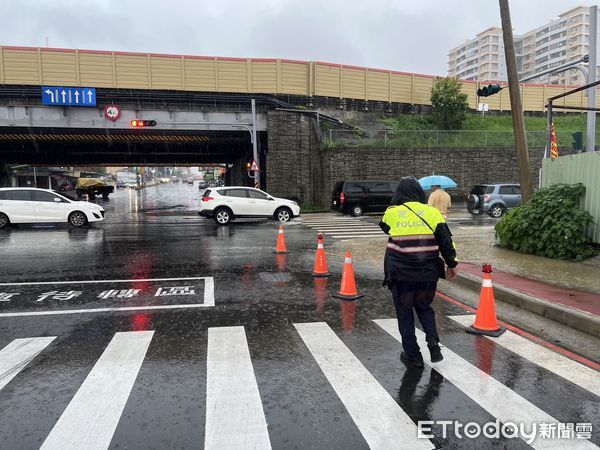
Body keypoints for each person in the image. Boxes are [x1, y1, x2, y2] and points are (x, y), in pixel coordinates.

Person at [379, 177, 458, 368]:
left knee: (405, 313)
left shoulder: (392, 213)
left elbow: (384, 227)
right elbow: (445, 240)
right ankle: (433, 343)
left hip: (401, 275)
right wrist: (452, 263)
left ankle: (413, 356)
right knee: (424, 307)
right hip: (427, 274)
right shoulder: (432, 213)